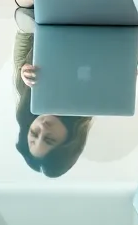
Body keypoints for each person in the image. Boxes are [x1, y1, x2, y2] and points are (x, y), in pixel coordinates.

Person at [12, 28, 92, 177]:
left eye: (34, 132)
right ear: (68, 140)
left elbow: (23, 27)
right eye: (49, 138)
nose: (42, 127)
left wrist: (24, 67)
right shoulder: (95, 100)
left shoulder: (24, 86)